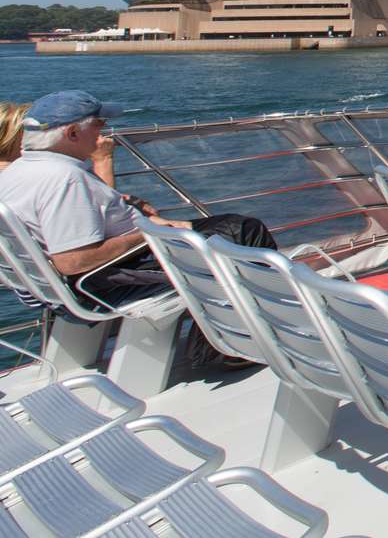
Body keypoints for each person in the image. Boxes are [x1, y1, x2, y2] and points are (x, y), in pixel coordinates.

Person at [0, 90, 280, 373]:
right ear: (72, 133)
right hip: (104, 278)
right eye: (97, 123)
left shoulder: (20, 172)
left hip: (84, 278)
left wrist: (141, 218)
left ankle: (237, 335)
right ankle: (227, 350)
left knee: (233, 227)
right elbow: (74, 260)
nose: (104, 130)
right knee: (244, 235)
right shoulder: (63, 179)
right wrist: (147, 233)